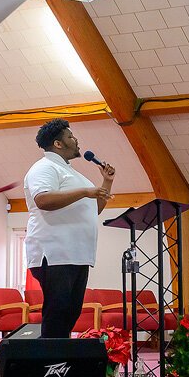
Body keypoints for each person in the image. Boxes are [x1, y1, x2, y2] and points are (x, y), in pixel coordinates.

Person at [22, 119, 113, 338]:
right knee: (57, 311)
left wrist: (106, 183)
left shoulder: (74, 174)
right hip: (55, 254)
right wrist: (85, 192)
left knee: (71, 312)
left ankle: (60, 362)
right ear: (58, 144)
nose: (76, 140)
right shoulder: (44, 167)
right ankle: (49, 365)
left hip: (78, 254)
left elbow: (94, 210)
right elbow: (43, 200)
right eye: (71, 136)